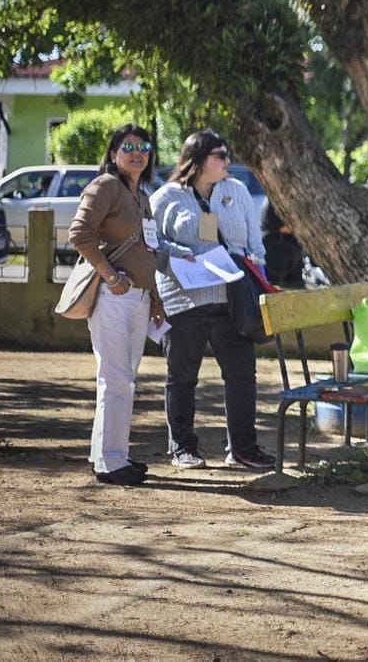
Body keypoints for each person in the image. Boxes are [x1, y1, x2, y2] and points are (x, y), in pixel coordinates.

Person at [150, 130, 276, 470]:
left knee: (242, 375)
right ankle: (183, 448)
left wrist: (256, 273)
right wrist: (181, 256)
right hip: (184, 299)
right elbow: (153, 247)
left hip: (232, 299)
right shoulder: (166, 198)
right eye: (220, 155)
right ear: (198, 159)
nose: (227, 161)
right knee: (182, 377)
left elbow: (255, 245)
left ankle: (243, 449)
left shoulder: (236, 191)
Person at [68, 123, 167, 486]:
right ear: (113, 153)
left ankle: (108, 456)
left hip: (140, 299)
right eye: (128, 146)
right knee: (116, 380)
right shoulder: (105, 186)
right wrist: (110, 276)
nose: (137, 152)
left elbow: (148, 249)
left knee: (122, 380)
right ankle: (112, 463)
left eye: (144, 146)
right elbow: (79, 233)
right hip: (113, 297)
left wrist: (155, 297)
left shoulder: (142, 194)